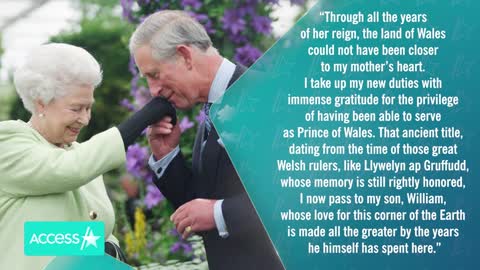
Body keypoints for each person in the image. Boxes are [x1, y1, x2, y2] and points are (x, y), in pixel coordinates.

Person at [129, 11, 284, 270]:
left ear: (185, 56)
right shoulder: (210, 111)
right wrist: (167, 157)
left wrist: (219, 213)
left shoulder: (267, 98)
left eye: (154, 74)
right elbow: (199, 206)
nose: (153, 90)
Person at [0, 43, 176, 270]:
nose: (85, 119)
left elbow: (56, 236)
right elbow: (65, 172)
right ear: (41, 102)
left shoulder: (80, 154)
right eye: (76, 109)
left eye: (88, 108)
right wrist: (143, 118)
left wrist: (109, 248)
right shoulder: (8, 141)